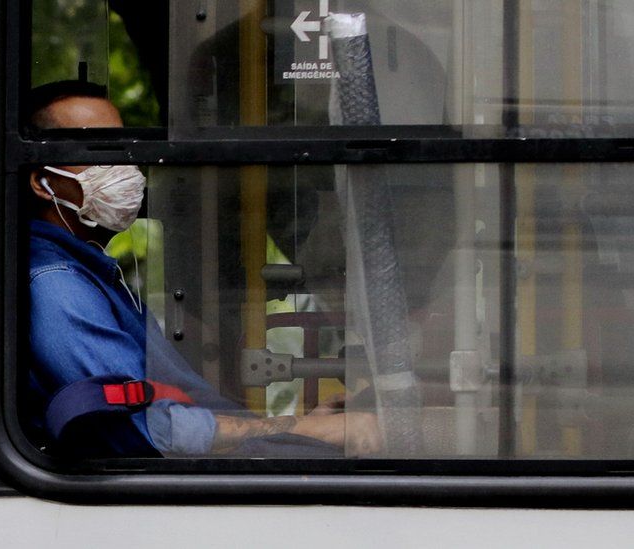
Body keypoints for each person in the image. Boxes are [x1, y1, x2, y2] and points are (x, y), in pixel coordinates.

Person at [25, 80, 380, 458]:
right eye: (98, 150)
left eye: (123, 148)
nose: (122, 166)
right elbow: (151, 430)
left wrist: (296, 429)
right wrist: (309, 429)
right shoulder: (56, 286)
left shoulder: (94, 276)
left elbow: (180, 413)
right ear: (43, 183)